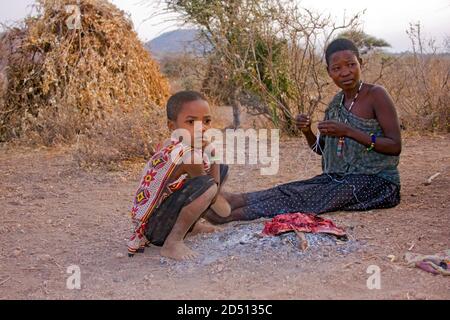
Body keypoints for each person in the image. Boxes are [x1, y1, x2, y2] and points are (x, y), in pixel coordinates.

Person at [206, 38, 402, 223]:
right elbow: (321, 150)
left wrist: (349, 131)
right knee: (295, 188)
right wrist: (307, 130)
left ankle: (232, 215)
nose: (345, 72)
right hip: (338, 177)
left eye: (351, 64)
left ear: (361, 63)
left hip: (378, 183)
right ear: (329, 72)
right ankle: (234, 200)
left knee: (308, 198)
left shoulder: (376, 95)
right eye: (337, 68)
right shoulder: (336, 104)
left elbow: (394, 146)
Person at [127, 90, 230, 260]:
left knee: (217, 170)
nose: (201, 128)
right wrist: (213, 154)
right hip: (155, 229)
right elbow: (211, 192)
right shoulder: (187, 156)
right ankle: (172, 243)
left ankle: (193, 226)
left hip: (158, 219)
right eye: (191, 122)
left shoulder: (175, 144)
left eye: (206, 121)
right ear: (172, 126)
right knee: (208, 185)